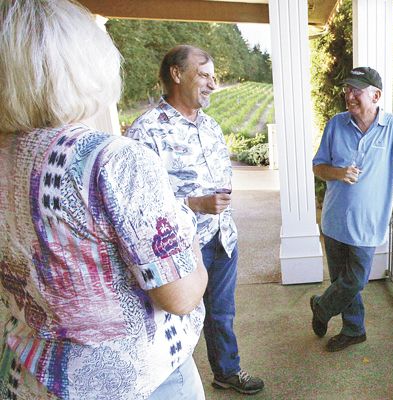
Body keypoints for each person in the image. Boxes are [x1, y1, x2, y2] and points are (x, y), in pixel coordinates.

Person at [0, 1, 208, 399]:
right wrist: (188, 231)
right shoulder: (113, 160)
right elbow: (179, 295)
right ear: (85, 65)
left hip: (28, 375)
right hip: (135, 381)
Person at [125, 45, 263, 395]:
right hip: (180, 247)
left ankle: (226, 371)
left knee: (222, 314)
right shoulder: (146, 132)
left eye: (213, 77)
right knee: (174, 317)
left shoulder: (212, 126)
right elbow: (138, 206)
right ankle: (170, 381)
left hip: (222, 237)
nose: (212, 84)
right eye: (203, 74)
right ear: (176, 74)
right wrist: (195, 204)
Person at [310, 67, 393, 352]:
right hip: (334, 221)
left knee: (355, 281)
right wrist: (338, 173)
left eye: (356, 90)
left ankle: (322, 307)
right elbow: (318, 166)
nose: (349, 95)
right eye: (347, 89)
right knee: (341, 280)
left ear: (376, 95)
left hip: (368, 224)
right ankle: (354, 329)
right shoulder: (336, 125)